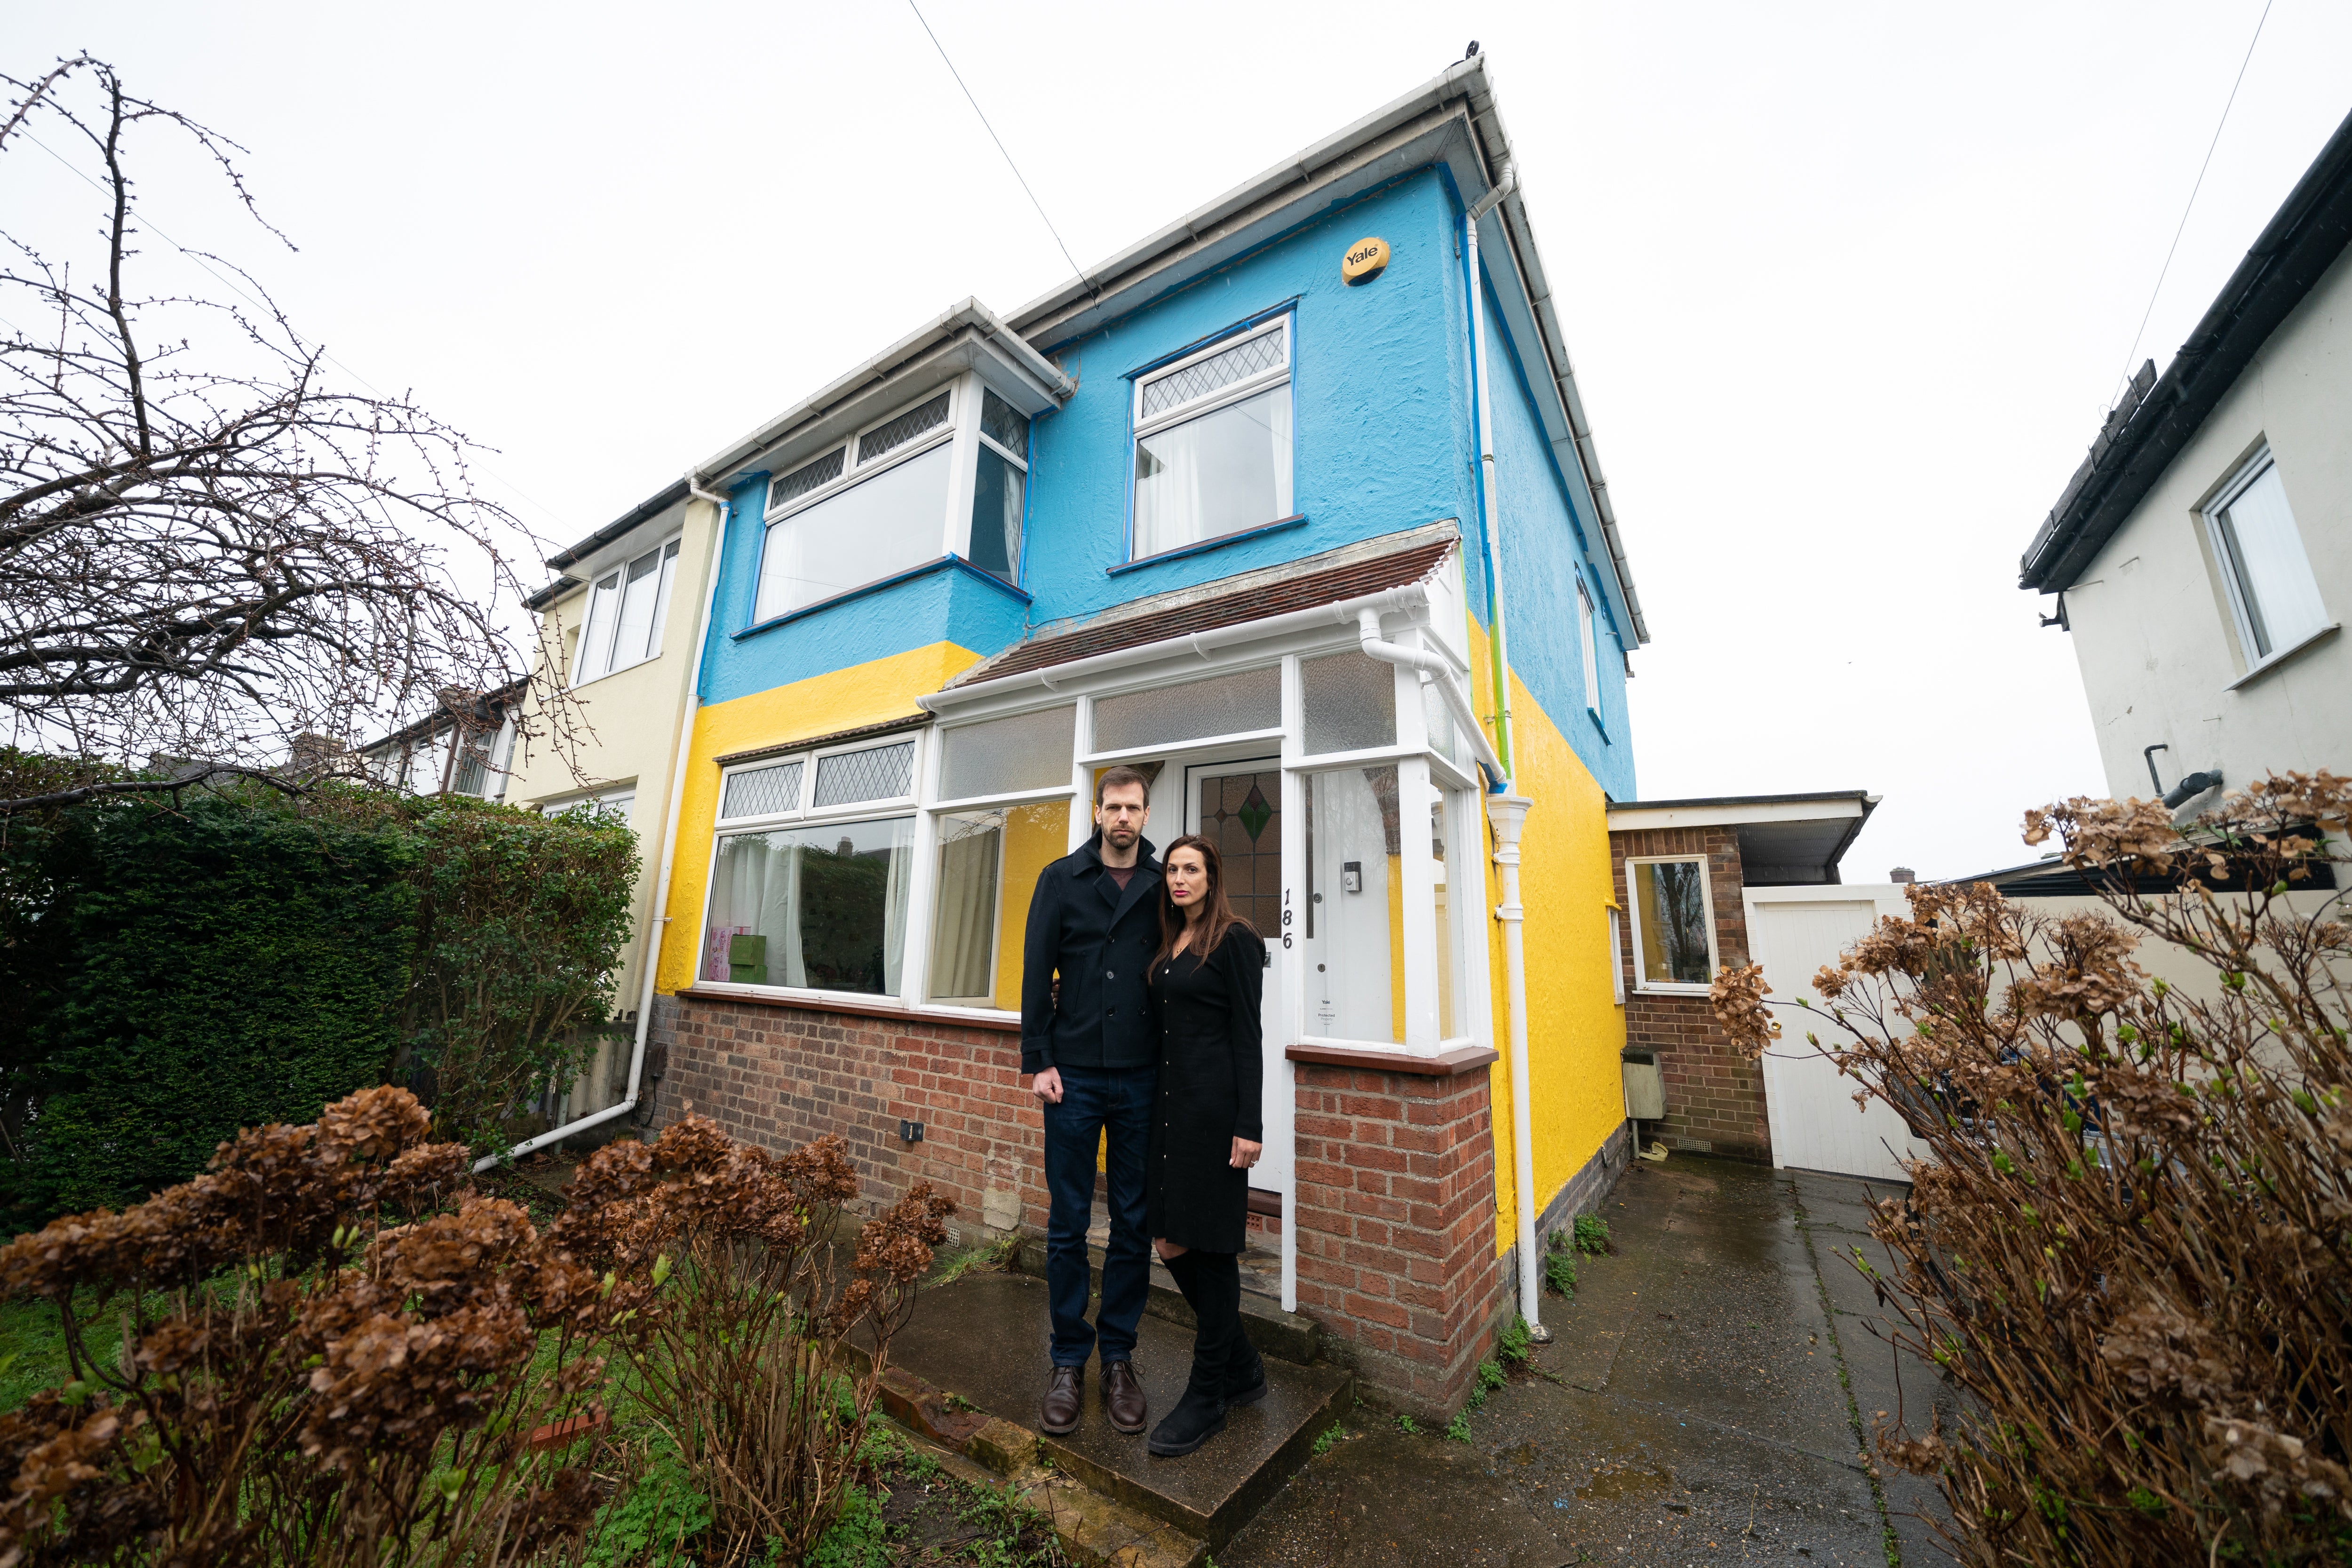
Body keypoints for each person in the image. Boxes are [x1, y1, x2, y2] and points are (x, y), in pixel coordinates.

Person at [1019, 766, 1162, 1439]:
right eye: (1114, 806)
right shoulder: (1060, 879)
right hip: (1072, 1074)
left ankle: (1120, 1359)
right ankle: (1069, 1361)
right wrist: (1038, 1058)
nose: (1124, 817)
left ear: (1145, 811)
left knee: (1134, 1219)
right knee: (1068, 1220)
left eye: (1134, 806)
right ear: (1098, 811)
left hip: (1142, 1075)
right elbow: (1034, 972)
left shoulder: (1166, 885)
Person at [1142, 833, 1268, 1458]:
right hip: (1170, 1112)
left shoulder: (1236, 939)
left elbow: (1249, 1035)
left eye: (1191, 868)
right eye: (1172, 869)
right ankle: (1242, 1363)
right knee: (1167, 1239)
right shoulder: (1170, 944)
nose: (1179, 878)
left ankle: (1208, 1393)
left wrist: (1251, 1124)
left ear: (1213, 876)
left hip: (1217, 1117)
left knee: (1211, 1248)